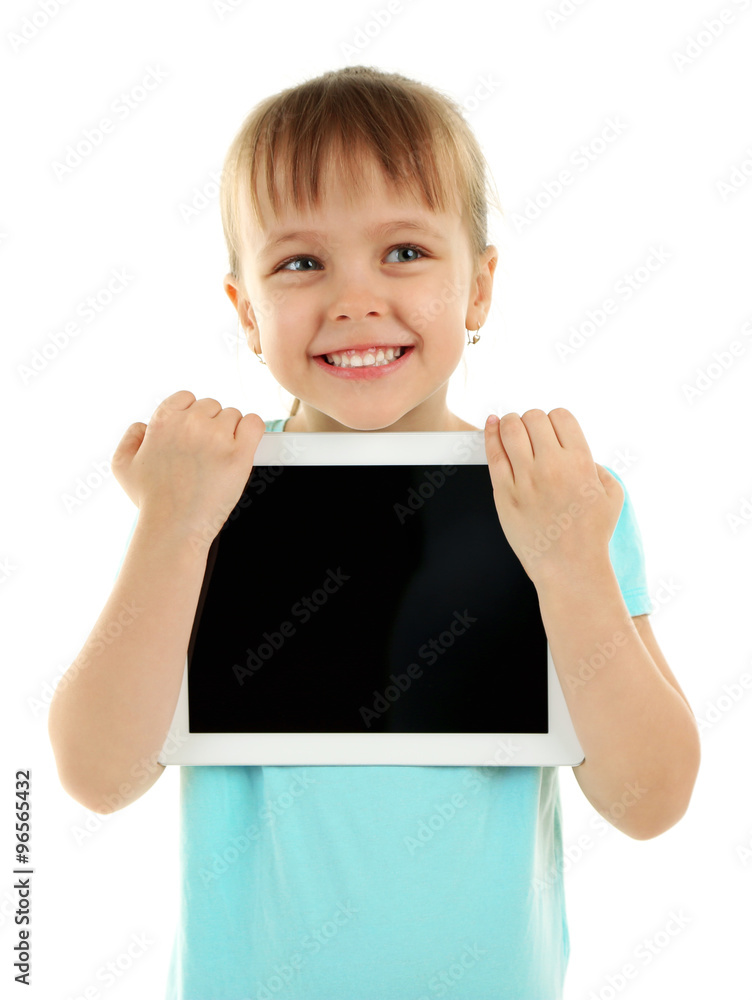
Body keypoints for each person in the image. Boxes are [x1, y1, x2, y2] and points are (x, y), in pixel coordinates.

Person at [48, 65, 701, 999]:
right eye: (301, 263)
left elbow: (651, 801)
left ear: (478, 291)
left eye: (403, 252)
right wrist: (172, 526)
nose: (355, 299)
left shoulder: (565, 498)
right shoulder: (205, 496)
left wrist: (571, 568)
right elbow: (98, 775)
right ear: (245, 311)